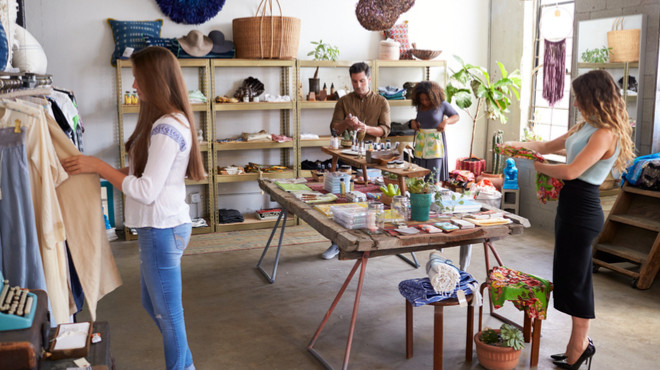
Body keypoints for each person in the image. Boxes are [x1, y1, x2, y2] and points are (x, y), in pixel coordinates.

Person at [61, 46, 205, 370]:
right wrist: (96, 169)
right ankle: (186, 364)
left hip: (162, 230)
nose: (134, 86)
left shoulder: (167, 128)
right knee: (158, 308)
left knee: (169, 317)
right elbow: (147, 175)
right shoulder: (169, 122)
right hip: (166, 227)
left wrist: (99, 166)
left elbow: (145, 190)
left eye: (138, 79)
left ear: (154, 81)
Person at [506, 69, 634, 370]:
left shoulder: (606, 133)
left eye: (579, 98)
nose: (576, 104)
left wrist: (540, 168)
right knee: (566, 277)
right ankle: (577, 343)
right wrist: (516, 146)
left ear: (595, 97)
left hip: (584, 209)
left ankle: (580, 345)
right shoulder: (585, 125)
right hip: (570, 208)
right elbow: (547, 147)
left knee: (578, 282)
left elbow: (571, 171)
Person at [322, 62, 391, 259]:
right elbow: (335, 129)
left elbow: (385, 130)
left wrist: (364, 127)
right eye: (354, 81)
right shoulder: (343, 102)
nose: (358, 85)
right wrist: (346, 123)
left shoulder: (381, 102)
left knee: (370, 202)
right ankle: (337, 244)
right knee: (341, 202)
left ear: (369, 79)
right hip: (346, 158)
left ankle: (368, 244)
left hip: (371, 159)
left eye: (362, 80)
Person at [409, 80, 459, 184]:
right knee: (420, 175)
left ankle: (433, 197)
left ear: (433, 96)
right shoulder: (420, 106)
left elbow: (456, 116)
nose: (424, 102)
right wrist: (414, 122)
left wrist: (446, 121)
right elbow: (421, 120)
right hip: (421, 144)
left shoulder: (442, 104)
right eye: (421, 99)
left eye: (427, 99)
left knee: (433, 177)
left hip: (435, 145)